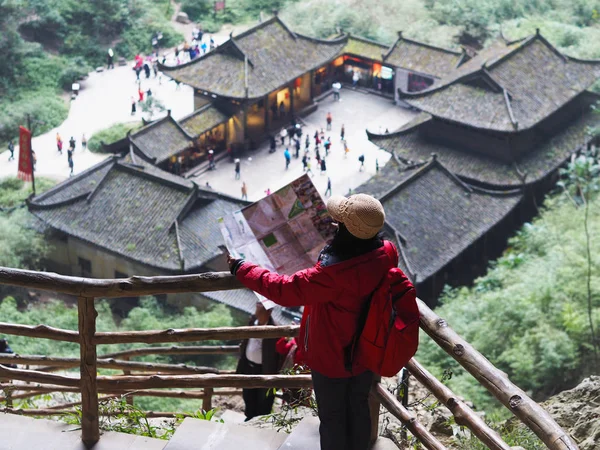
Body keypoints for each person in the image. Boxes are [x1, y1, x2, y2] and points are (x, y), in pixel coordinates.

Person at [228, 193, 394, 450]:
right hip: (365, 350)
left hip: (332, 355)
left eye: (339, 223)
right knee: (358, 408)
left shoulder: (333, 275)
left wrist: (241, 268)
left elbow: (283, 289)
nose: (334, 225)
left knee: (332, 419)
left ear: (348, 231)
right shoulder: (385, 253)